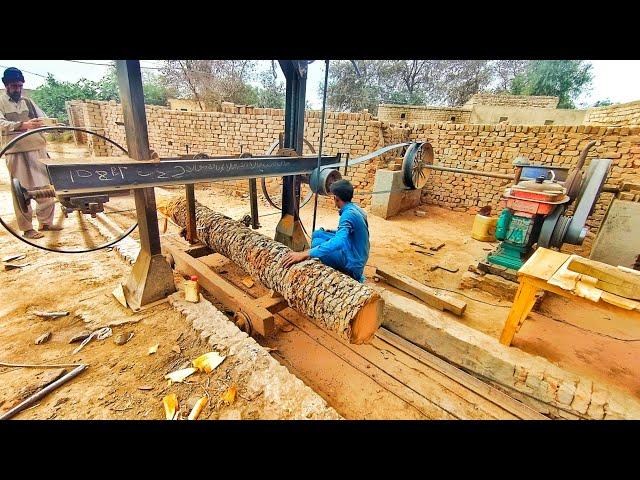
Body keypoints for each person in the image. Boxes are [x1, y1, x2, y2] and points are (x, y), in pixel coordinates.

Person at [0, 67, 59, 239]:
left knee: (45, 186)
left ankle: (46, 223)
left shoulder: (27, 101)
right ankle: (27, 228)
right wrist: (23, 125)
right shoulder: (1, 101)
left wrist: (53, 126)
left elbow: (42, 118)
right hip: (15, 151)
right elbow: (1, 124)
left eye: (19, 86)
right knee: (21, 190)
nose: (16, 89)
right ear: (5, 85)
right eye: (13, 86)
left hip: (37, 148)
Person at [282, 179, 370, 283]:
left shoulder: (348, 215)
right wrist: (331, 232)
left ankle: (346, 274)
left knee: (316, 243)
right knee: (317, 234)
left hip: (353, 262)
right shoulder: (356, 208)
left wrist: (305, 254)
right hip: (357, 250)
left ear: (336, 198)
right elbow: (352, 233)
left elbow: (339, 241)